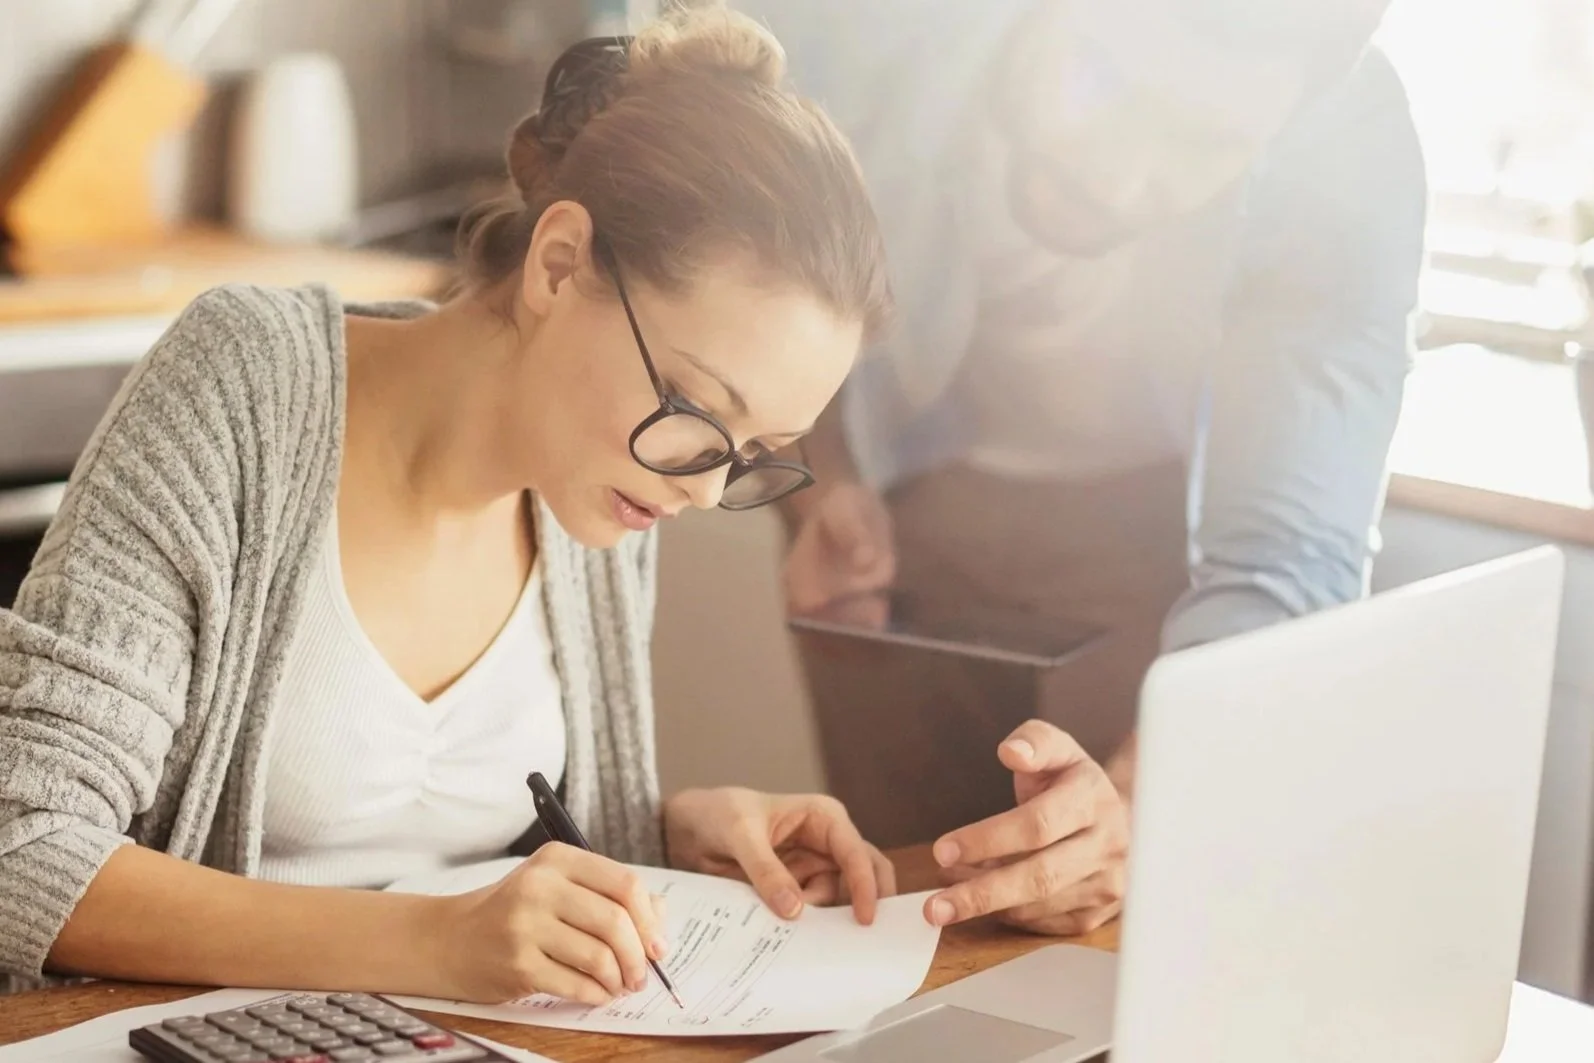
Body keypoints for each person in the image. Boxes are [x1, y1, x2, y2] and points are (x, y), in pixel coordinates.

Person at [0, 7, 896, 1004]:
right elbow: (21, 850)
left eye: (757, 454)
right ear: (559, 265)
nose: (703, 488)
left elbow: (481, 850)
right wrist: (423, 942)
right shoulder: (246, 385)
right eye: (695, 412)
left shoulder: (610, 489)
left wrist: (671, 828)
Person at [741, 0, 1426, 936]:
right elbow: (741, 256)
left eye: (1200, 143)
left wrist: (1148, 805)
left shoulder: (1344, 144)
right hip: (900, 512)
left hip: (1156, 549)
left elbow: (1284, 552)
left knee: (1113, 917)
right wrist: (822, 476)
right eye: (1101, 83)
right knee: (895, 919)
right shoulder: (849, 30)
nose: (1119, 173)